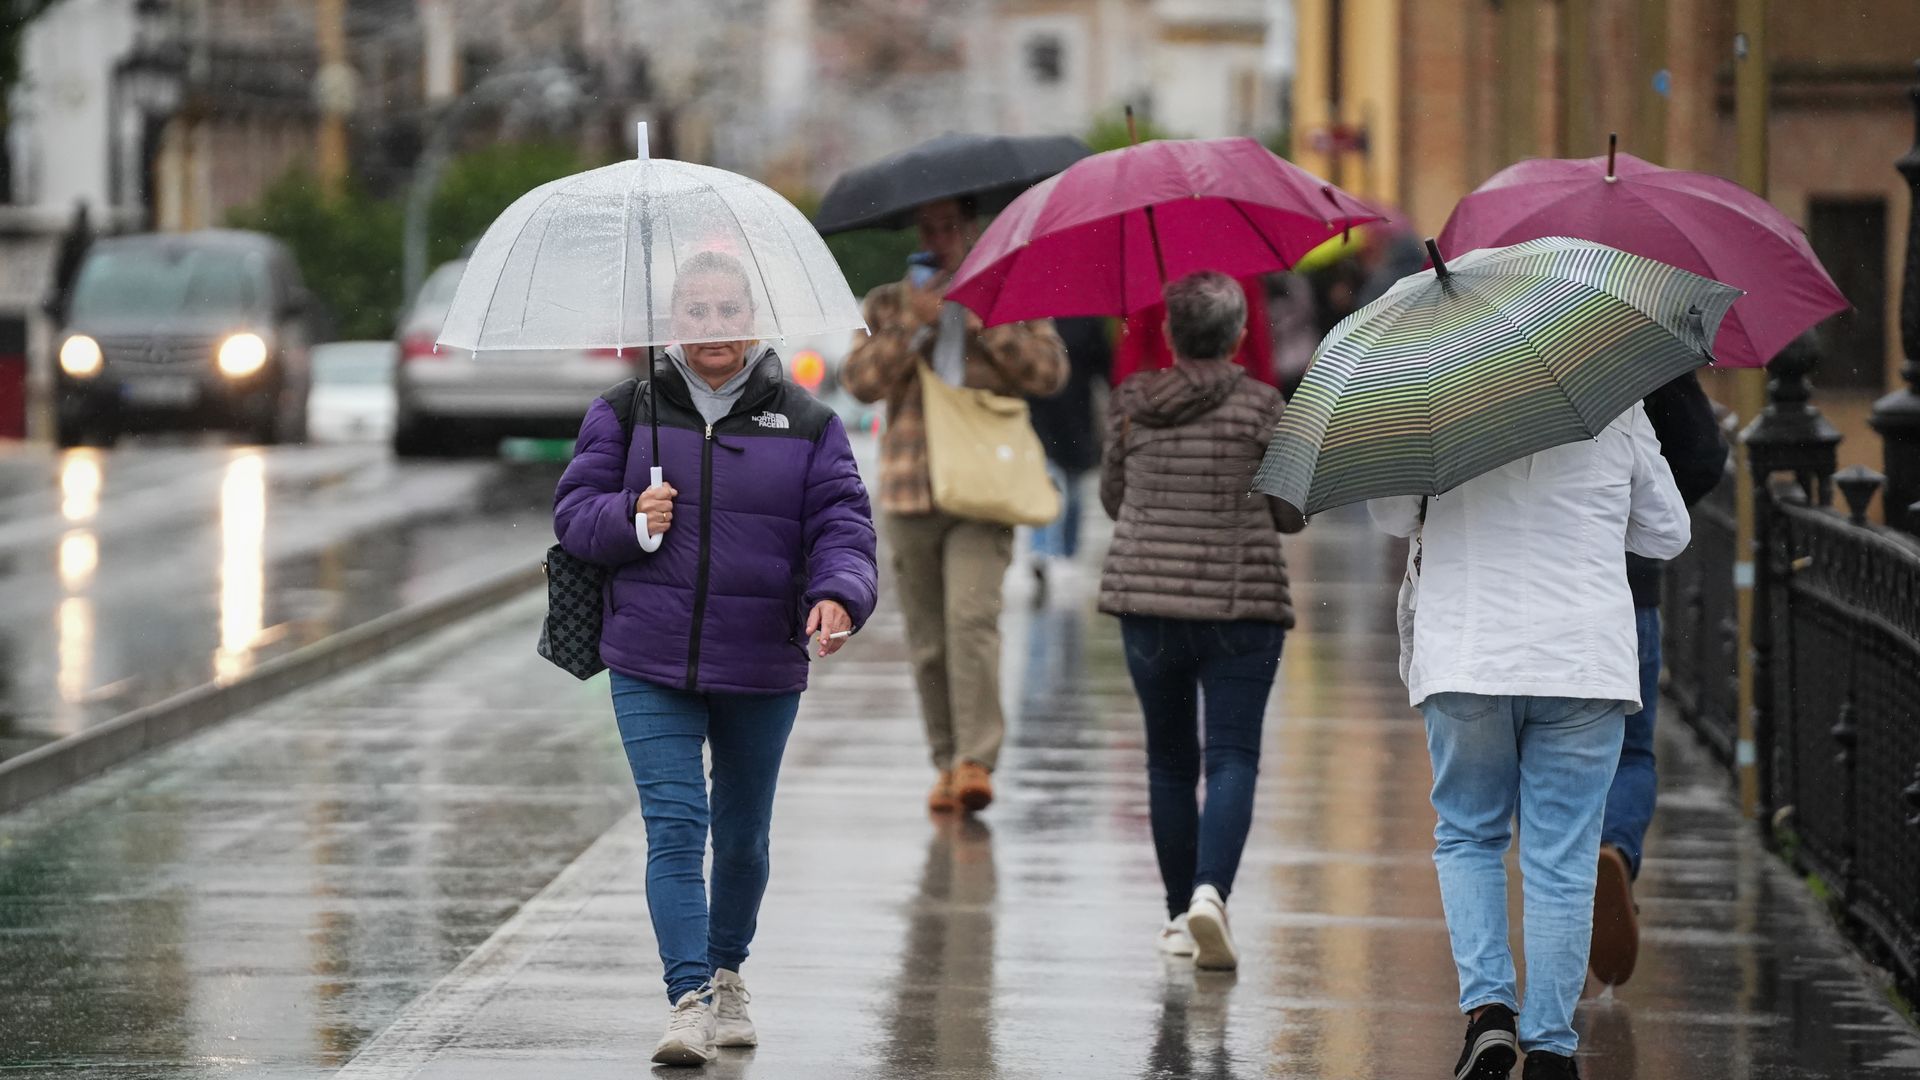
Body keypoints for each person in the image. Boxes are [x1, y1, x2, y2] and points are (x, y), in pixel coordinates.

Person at [553, 250, 878, 1068]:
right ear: (671, 325)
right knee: (675, 825)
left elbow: (844, 524)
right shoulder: (626, 412)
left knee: (740, 838)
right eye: (694, 311)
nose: (712, 326)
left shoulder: (807, 423)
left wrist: (841, 593)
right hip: (647, 655)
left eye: (727, 309)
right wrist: (630, 513)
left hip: (761, 659)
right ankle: (688, 998)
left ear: (755, 320)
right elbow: (573, 515)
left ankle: (730, 972)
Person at [1369, 403, 1689, 1080]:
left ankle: (1489, 1014)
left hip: (1468, 653)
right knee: (1563, 858)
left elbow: (1392, 517)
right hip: (1581, 661)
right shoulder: (1613, 404)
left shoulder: (1431, 393)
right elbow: (1668, 534)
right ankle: (1549, 1047)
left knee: (1468, 834)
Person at [1097, 271, 1304, 972]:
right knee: (1233, 756)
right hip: (1241, 606)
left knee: (1168, 761)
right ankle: (1211, 894)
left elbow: (1113, 499)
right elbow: (1288, 513)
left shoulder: (1132, 403)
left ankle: (1177, 917)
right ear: (1241, 335)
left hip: (1148, 603)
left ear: (1171, 335)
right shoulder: (1263, 407)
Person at [842, 197, 1068, 816]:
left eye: (951, 228)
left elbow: (1049, 373)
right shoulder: (888, 302)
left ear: (973, 231)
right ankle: (945, 761)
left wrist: (983, 322)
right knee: (928, 638)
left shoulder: (1009, 290)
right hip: (912, 485)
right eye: (929, 229)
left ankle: (976, 759)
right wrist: (912, 325)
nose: (939, 239)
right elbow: (859, 381)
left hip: (983, 485)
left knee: (971, 621)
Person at [1590, 371, 1727, 988]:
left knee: (1540, 753)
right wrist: (1643, 507)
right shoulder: (1637, 343)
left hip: (1530, 594)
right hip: (1628, 587)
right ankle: (1615, 848)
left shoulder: (1493, 335)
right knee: (1631, 752)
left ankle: (1563, 900)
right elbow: (1701, 455)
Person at [1027, 315, 1112, 599]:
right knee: (1045, 485)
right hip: (1040, 417)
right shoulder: (1030, 317)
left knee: (1073, 491)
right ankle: (1042, 552)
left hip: (1076, 416)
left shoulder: (1087, 321)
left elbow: (1104, 363)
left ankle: (1067, 554)